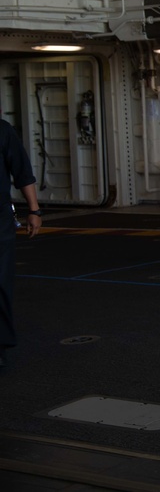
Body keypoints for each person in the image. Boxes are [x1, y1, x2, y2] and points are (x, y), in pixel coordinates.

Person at [1, 118, 42, 369]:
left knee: (0, 284)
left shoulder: (3, 131)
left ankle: (1, 346)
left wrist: (34, 210)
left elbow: (22, 171)